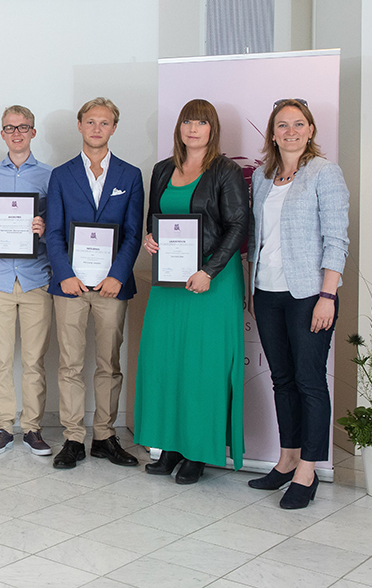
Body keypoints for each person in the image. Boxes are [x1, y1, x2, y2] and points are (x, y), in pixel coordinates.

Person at [136, 98, 250, 484]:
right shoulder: (163, 169)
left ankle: (198, 452)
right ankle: (170, 446)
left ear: (212, 129)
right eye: (187, 121)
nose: (193, 128)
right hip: (170, 279)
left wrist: (209, 270)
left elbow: (238, 226)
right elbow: (156, 215)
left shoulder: (225, 170)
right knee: (166, 360)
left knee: (203, 366)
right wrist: (151, 237)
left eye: (201, 122)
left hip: (210, 282)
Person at [246, 99, 348, 509]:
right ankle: (286, 459)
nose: (290, 131)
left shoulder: (325, 173)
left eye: (298, 124)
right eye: (282, 125)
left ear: (310, 130)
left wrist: (328, 295)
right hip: (267, 293)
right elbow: (256, 238)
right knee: (282, 380)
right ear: (272, 133)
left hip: (309, 295)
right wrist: (251, 288)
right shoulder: (263, 178)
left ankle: (308, 469)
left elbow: (337, 239)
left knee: (309, 382)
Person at [44, 98, 145, 469]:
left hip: (111, 286)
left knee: (109, 363)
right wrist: (65, 273)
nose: (97, 128)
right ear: (80, 125)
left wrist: (118, 275)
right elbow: (53, 232)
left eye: (105, 123)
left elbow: (134, 233)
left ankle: (104, 435)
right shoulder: (61, 174)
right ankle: (73, 438)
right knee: (70, 364)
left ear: (114, 128)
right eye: (91, 122)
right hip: (69, 285)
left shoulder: (130, 175)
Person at [0, 105, 53, 456]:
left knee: (35, 360)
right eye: (10, 127)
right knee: (1, 359)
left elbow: (61, 225)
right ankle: (4, 426)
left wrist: (44, 229)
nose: (17, 133)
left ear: (33, 132)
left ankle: (33, 428)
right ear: (2, 133)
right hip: (0, 278)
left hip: (37, 278)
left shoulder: (51, 176)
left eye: (24, 127)